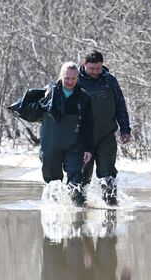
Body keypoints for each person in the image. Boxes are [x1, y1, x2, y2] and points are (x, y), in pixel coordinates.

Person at [27, 62, 94, 207]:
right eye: (67, 78)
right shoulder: (48, 93)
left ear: (78, 78)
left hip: (75, 146)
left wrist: (88, 148)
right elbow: (32, 112)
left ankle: (79, 214)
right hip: (50, 145)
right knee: (52, 183)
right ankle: (53, 213)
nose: (70, 82)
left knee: (76, 180)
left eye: (73, 79)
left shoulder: (84, 97)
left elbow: (88, 125)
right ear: (60, 76)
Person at [78, 50, 132, 206]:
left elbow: (120, 105)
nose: (95, 72)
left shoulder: (109, 81)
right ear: (84, 65)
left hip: (106, 136)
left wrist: (125, 129)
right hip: (82, 138)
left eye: (98, 68)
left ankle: (111, 207)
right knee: (81, 176)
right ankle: (79, 210)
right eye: (92, 68)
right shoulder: (76, 81)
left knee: (108, 174)